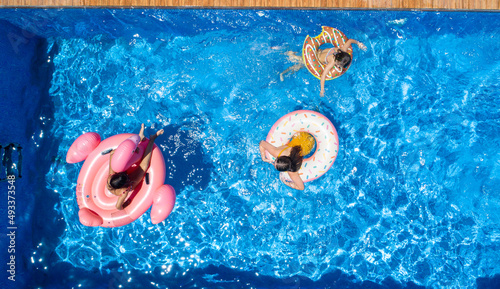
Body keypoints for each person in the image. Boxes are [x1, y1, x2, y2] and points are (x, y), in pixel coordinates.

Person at [279, 38, 366, 97]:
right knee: (297, 65)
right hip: (312, 59)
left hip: (316, 51)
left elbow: (350, 40)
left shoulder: (341, 50)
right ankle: (283, 69)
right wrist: (322, 90)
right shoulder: (332, 61)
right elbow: (323, 75)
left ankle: (287, 52)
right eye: (339, 65)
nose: (338, 67)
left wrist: (358, 43)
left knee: (297, 62)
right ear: (338, 61)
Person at [107, 124, 164, 210]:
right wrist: (126, 204)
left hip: (121, 182)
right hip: (128, 185)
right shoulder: (124, 192)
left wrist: (129, 151)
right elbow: (118, 207)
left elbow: (112, 154)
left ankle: (145, 139)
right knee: (143, 166)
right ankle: (152, 139)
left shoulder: (111, 176)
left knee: (128, 163)